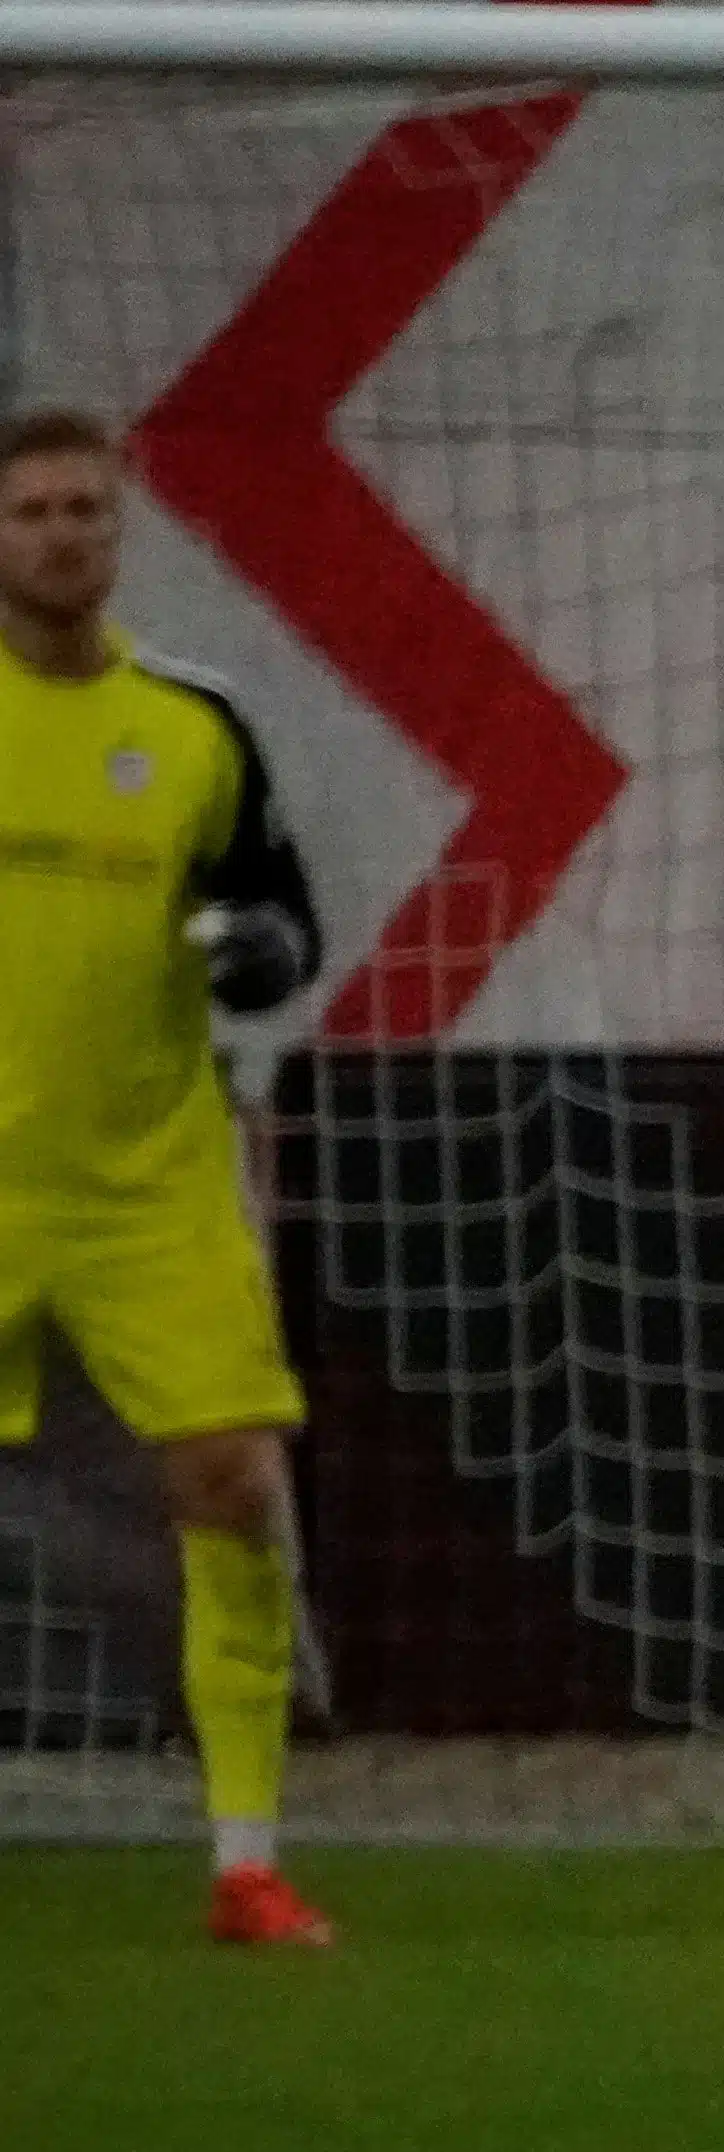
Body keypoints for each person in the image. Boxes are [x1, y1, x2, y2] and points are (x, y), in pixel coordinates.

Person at [0, 407, 332, 1945]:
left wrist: (264, 953)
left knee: (232, 1484)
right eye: (34, 512)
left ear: (117, 533)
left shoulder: (197, 727)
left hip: (150, 1181)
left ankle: (247, 1861)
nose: (63, 534)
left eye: (86, 510)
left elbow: (279, 919)